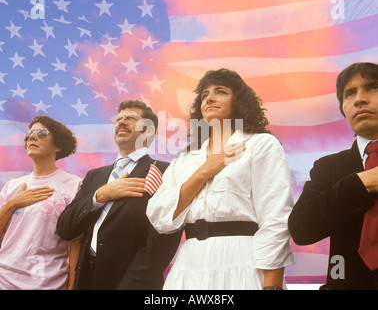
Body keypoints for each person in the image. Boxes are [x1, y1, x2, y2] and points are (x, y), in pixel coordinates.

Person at [146, 68, 294, 290]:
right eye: (204, 95)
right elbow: (158, 216)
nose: (210, 99)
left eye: (221, 91)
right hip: (188, 267)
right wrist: (204, 171)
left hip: (244, 262)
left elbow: (276, 218)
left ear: (239, 101)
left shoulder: (261, 145)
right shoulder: (185, 159)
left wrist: (272, 286)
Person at [56, 99, 182, 290]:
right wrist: (99, 196)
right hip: (86, 280)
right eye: (119, 118)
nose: (121, 122)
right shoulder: (94, 176)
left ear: (148, 131)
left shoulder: (165, 172)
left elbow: (163, 240)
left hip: (132, 282)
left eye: (130, 118)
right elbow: (65, 228)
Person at [288, 62, 378, 290]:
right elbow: (301, 229)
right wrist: (360, 183)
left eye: (373, 87)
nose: (359, 99)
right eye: (350, 94)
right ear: (343, 108)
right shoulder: (327, 167)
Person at [0, 115, 82, 290]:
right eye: (29, 133)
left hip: (49, 284)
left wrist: (72, 286)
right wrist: (11, 204)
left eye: (42, 133)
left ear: (58, 145)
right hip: (4, 281)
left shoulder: (74, 185)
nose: (32, 137)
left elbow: (75, 242)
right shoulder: (11, 186)